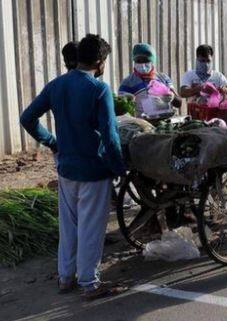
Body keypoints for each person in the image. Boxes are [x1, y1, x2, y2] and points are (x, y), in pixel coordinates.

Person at [20, 34, 126, 300]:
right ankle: (89, 283)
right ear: (100, 61)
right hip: (93, 170)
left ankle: (65, 277)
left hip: (66, 167)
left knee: (69, 226)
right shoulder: (98, 89)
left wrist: (52, 141)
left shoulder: (57, 85)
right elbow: (111, 136)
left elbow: (27, 117)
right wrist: (118, 167)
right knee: (91, 227)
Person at [118, 43, 182, 117]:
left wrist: (172, 97)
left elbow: (179, 103)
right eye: (138, 61)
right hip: (143, 125)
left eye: (146, 60)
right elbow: (122, 111)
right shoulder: (127, 83)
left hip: (165, 123)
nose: (142, 64)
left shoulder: (163, 78)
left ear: (152, 61)